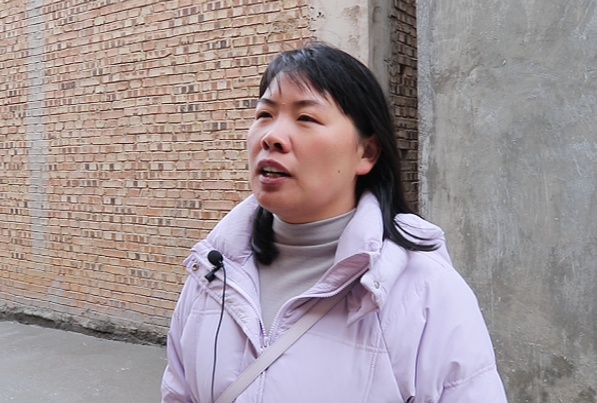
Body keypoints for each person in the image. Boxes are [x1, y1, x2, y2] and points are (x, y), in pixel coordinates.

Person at [161, 42, 508, 403]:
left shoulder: (425, 292)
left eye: (306, 118)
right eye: (264, 114)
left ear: (366, 152)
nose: (271, 137)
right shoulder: (213, 272)